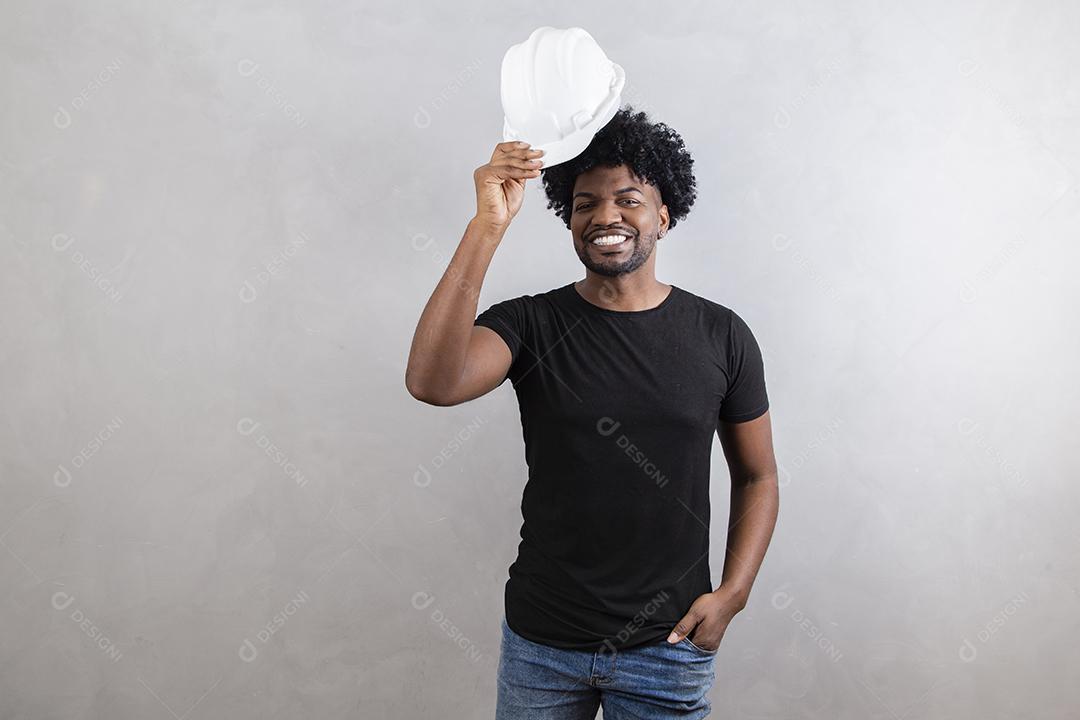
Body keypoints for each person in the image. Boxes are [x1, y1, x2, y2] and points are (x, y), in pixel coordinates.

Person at [405, 106, 779, 719]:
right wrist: (487, 226)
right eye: (585, 204)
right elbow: (432, 382)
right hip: (542, 647)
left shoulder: (722, 335)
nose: (606, 216)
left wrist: (733, 594)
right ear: (569, 218)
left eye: (629, 200)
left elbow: (758, 475)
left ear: (663, 216)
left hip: (668, 647)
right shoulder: (530, 323)